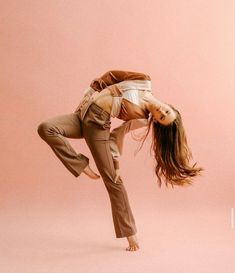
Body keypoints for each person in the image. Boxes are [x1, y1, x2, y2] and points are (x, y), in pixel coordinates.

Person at [37, 70, 203, 252]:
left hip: (98, 128)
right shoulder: (143, 81)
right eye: (167, 111)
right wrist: (90, 91)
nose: (162, 112)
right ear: (170, 106)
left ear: (156, 121)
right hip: (81, 116)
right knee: (46, 128)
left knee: (114, 182)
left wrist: (115, 165)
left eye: (162, 117)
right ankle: (80, 164)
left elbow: (118, 134)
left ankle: (130, 233)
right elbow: (112, 76)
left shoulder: (141, 118)